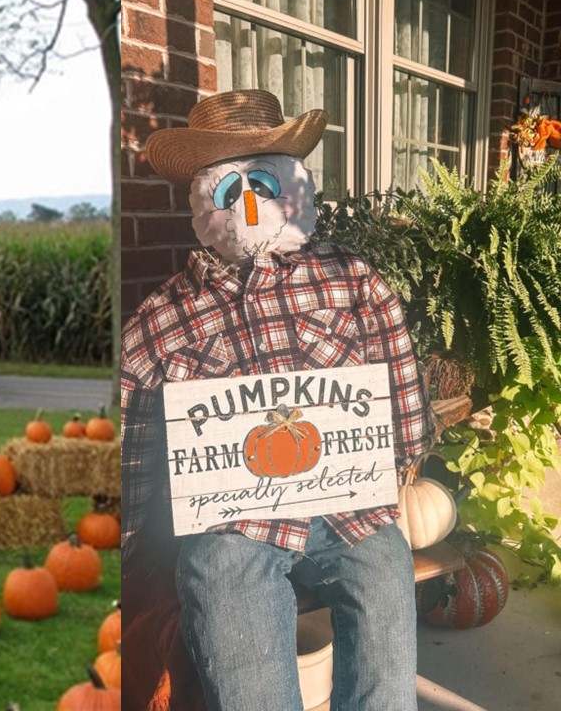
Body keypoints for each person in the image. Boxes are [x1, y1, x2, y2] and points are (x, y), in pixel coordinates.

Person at [122, 89, 433, 711]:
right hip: (235, 526)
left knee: (384, 583)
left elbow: (399, 391)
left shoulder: (352, 280)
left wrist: (396, 459)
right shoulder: (162, 320)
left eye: (262, 181)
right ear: (200, 201)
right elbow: (134, 457)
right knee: (224, 588)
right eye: (226, 189)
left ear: (294, 184)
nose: (248, 203)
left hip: (348, 508)